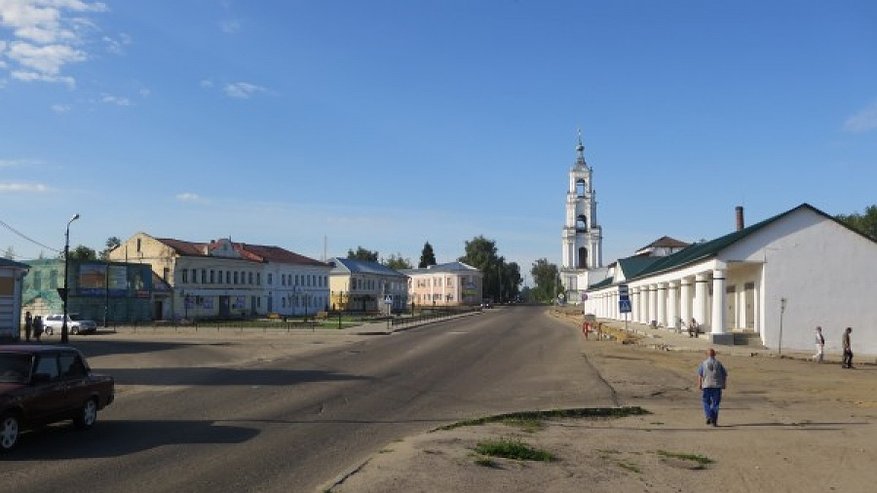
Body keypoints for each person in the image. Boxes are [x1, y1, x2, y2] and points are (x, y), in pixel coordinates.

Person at [697, 348, 727, 427]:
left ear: (706, 355)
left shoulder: (703, 364)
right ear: (715, 355)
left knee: (706, 402)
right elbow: (724, 374)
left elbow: (700, 375)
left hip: (706, 386)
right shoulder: (719, 363)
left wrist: (700, 384)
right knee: (715, 403)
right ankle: (714, 421)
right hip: (717, 386)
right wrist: (724, 384)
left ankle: (709, 415)